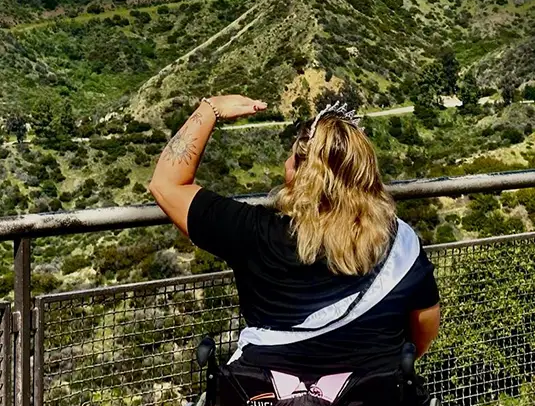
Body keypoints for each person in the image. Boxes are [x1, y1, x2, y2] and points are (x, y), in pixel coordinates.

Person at [149, 94, 440, 377]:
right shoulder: (400, 245)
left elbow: (165, 184)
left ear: (300, 173)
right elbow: (424, 331)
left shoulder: (253, 233)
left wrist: (210, 108)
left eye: (291, 158)